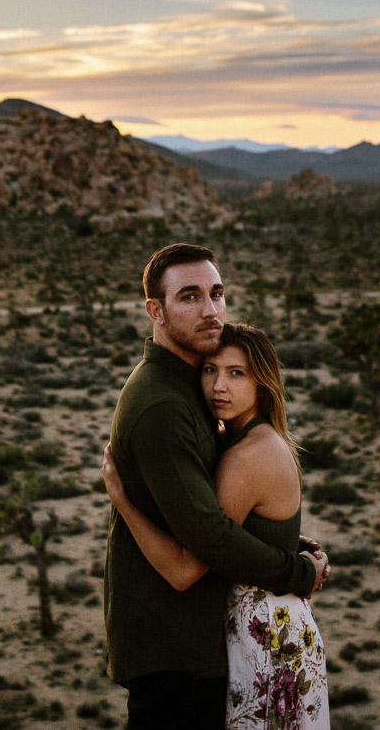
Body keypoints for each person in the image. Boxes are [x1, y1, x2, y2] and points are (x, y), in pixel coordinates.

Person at [104, 243, 330, 730]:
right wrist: (297, 572)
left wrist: (279, 536)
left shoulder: (194, 389)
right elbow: (206, 543)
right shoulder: (164, 404)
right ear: (155, 311)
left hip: (198, 644)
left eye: (217, 293)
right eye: (189, 296)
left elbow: (224, 514)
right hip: (172, 648)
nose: (210, 310)